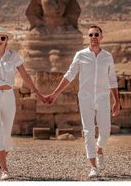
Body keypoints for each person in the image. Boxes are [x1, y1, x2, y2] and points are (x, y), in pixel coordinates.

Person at [44, 25, 120, 178]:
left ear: (101, 37)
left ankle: (99, 148)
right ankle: (93, 166)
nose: (94, 37)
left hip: (103, 98)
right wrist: (54, 94)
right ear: (88, 37)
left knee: (105, 131)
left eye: (96, 34)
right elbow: (69, 75)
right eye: (91, 34)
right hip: (85, 98)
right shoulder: (80, 55)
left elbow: (112, 79)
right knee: (88, 132)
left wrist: (117, 101)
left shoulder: (107, 57)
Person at [0, 27, 45, 180]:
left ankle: (0, 161)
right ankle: (5, 170)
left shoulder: (14, 56)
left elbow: (25, 75)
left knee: (7, 135)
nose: (0, 41)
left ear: (7, 40)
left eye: (3, 38)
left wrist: (38, 92)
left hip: (8, 95)